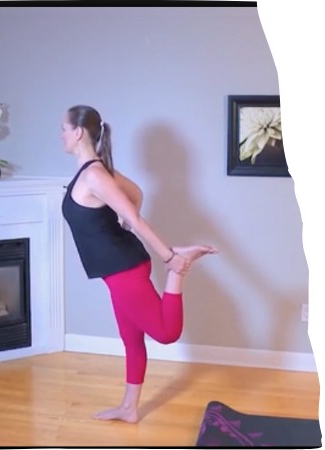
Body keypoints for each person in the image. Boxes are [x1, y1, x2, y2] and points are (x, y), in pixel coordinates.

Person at [60, 105, 217, 423]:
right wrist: (122, 221)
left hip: (125, 270)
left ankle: (179, 267)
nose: (61, 135)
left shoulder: (95, 175)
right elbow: (136, 193)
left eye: (63, 129)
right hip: (117, 270)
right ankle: (129, 408)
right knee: (131, 341)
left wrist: (170, 258)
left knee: (166, 334)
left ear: (78, 132)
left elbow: (134, 216)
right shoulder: (94, 171)